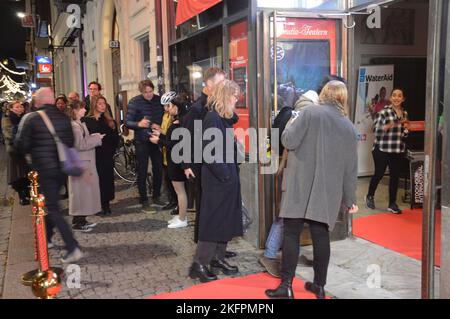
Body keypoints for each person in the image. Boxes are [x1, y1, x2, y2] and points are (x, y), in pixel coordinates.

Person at [265, 81, 359, 299]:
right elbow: (350, 168)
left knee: (291, 234)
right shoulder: (349, 127)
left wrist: (290, 123)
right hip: (327, 191)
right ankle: (319, 286)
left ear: (324, 94)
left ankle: (286, 286)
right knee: (320, 236)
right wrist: (350, 198)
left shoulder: (308, 114)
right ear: (344, 98)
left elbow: (288, 140)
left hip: (299, 185)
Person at [15, 88, 83, 263]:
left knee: (53, 207)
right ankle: (48, 236)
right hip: (61, 169)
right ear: (52, 100)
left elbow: (21, 145)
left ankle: (72, 246)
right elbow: (70, 143)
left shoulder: (30, 118)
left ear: (38, 101)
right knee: (51, 203)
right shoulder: (63, 117)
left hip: (44, 169)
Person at [259, 90, 318, 278]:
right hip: (293, 173)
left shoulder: (296, 116)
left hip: (290, 171)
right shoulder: (300, 118)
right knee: (286, 215)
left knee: (291, 216)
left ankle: (291, 252)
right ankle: (269, 253)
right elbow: (289, 144)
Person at [189, 80, 243, 283]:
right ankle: (199, 264)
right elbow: (209, 152)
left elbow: (232, 120)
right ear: (224, 96)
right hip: (218, 179)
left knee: (224, 221)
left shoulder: (221, 117)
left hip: (226, 178)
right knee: (213, 222)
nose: (236, 99)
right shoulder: (212, 118)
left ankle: (217, 259)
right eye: (233, 95)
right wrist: (225, 174)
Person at [365, 89, 409, 214]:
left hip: (397, 149)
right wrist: (387, 127)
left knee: (395, 176)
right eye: (394, 95)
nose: (396, 98)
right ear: (390, 98)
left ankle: (392, 203)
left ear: (403, 99)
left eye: (399, 96)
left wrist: (406, 131)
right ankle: (369, 196)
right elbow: (376, 130)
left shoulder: (405, 114)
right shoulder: (384, 112)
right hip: (382, 149)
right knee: (379, 173)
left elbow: (404, 134)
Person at [150, 92, 189, 228]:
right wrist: (161, 135)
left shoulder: (179, 123)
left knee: (180, 191)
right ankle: (180, 215)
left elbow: (175, 144)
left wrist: (159, 141)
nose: (168, 108)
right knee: (178, 191)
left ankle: (183, 218)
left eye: (170, 106)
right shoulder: (176, 121)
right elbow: (172, 139)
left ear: (176, 107)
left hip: (177, 161)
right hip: (173, 160)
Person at [125, 80, 166, 211]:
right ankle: (144, 200)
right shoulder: (134, 102)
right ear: (141, 92)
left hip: (156, 139)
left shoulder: (159, 100)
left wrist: (160, 126)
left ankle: (156, 196)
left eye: (150, 91)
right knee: (142, 170)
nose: (149, 95)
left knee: (158, 169)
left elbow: (164, 116)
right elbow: (127, 122)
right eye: (145, 92)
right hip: (141, 140)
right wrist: (139, 124)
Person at [68, 101, 104, 232]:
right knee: (80, 193)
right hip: (82, 163)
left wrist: (93, 136)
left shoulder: (78, 124)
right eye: (82, 108)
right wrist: (96, 139)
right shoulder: (75, 126)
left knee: (84, 193)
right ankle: (78, 222)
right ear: (76, 110)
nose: (84, 110)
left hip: (84, 161)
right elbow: (80, 145)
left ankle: (81, 220)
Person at [84, 96, 119, 216]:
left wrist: (111, 151)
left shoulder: (110, 121)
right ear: (94, 105)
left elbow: (116, 138)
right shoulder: (87, 121)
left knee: (106, 180)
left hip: (106, 155)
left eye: (104, 103)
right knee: (94, 181)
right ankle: (96, 204)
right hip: (93, 154)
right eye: (99, 104)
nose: (102, 106)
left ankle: (106, 204)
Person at [2, 101, 29, 205]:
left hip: (25, 149)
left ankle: (28, 192)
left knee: (26, 173)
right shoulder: (7, 119)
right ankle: (21, 196)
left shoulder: (25, 117)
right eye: (17, 107)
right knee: (17, 174)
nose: (20, 108)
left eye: (21, 106)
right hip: (14, 151)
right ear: (11, 109)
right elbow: (8, 133)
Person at [159, 95, 178, 212]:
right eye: (164, 106)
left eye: (167, 105)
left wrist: (159, 139)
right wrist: (158, 131)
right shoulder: (165, 116)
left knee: (175, 181)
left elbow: (171, 138)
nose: (166, 108)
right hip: (166, 153)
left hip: (172, 153)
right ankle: (172, 201)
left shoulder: (175, 119)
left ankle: (177, 203)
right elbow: (164, 131)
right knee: (168, 179)